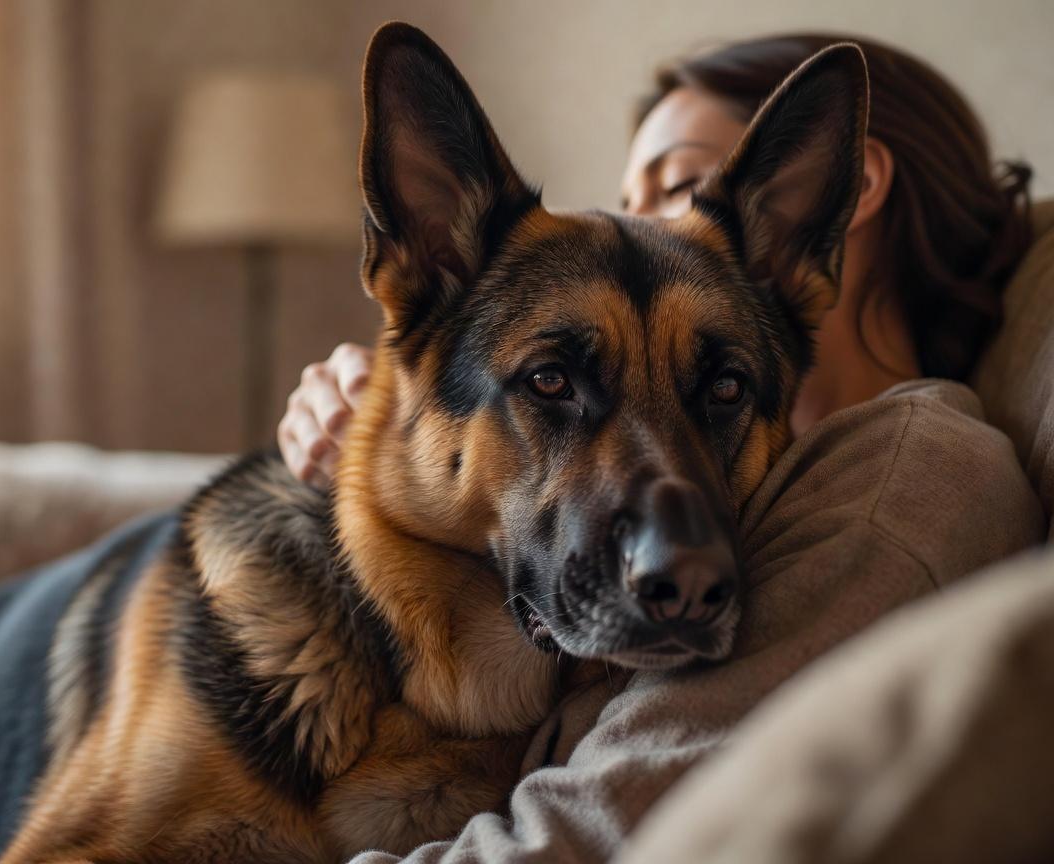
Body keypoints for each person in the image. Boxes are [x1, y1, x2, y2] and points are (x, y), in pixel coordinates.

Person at [279, 33, 1046, 862]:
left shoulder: (904, 478)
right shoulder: (775, 470)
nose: (646, 234)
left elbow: (574, 842)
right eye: (629, 199)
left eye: (677, 186)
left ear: (831, 201)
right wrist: (381, 432)